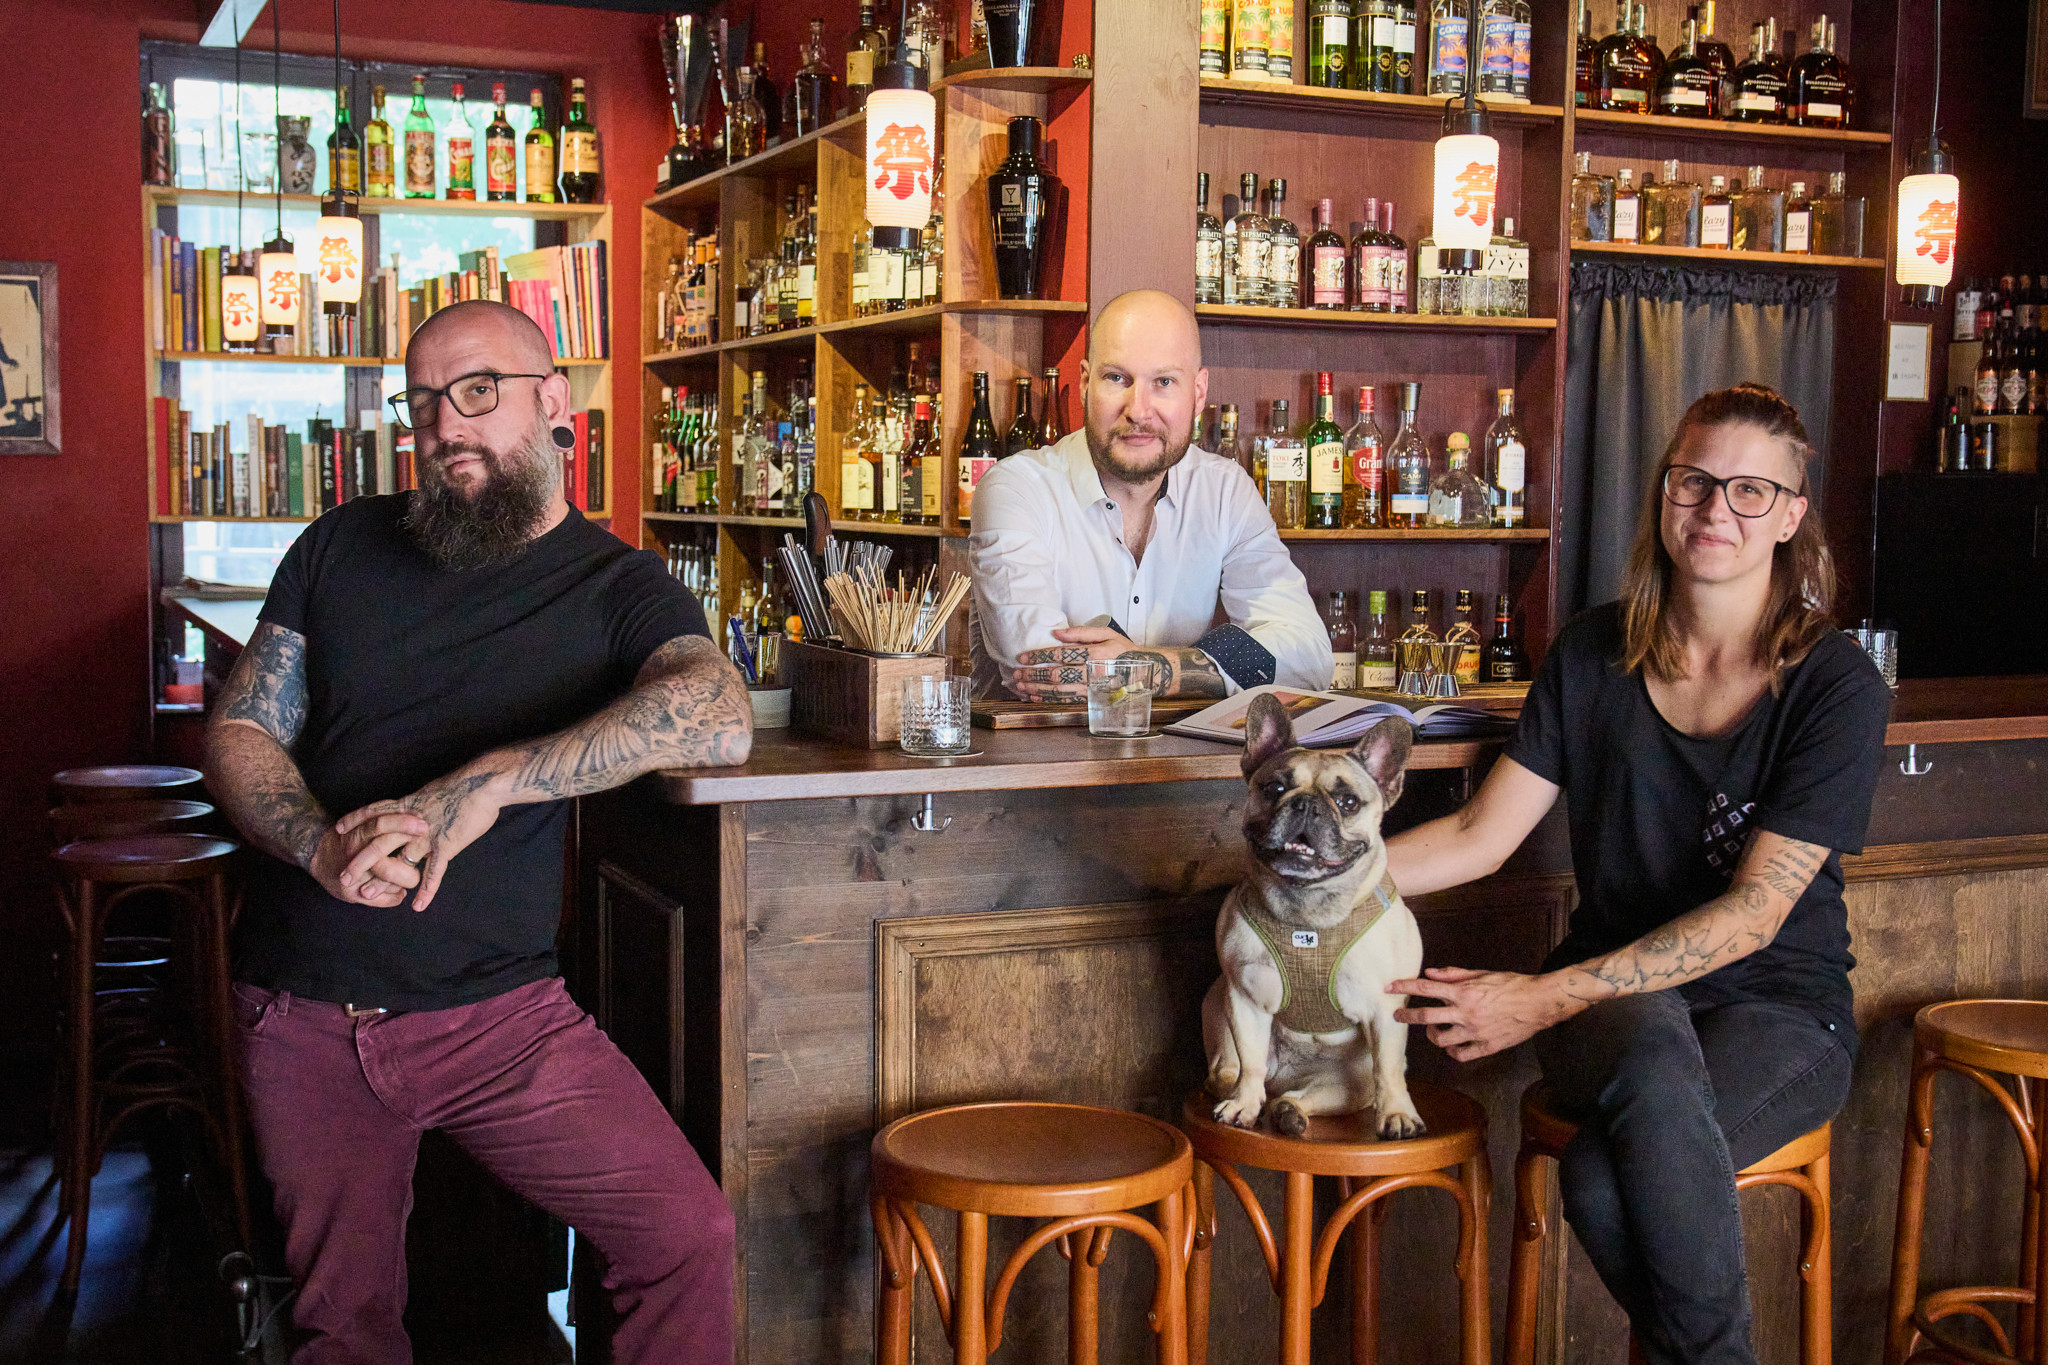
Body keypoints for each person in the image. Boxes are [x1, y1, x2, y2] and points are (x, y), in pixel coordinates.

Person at [205, 299, 752, 1365]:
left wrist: (496, 780)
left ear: (555, 405)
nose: (444, 425)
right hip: (302, 1004)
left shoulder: (618, 586)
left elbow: (719, 713)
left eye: (475, 393)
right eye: (422, 404)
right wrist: (318, 842)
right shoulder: (341, 545)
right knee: (339, 1323)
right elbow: (239, 729)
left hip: (497, 1019)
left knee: (686, 1235)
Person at [1382, 384, 1891, 1365]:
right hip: (1614, 1005)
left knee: (1603, 1185)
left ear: (1790, 516)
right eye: (1693, 481)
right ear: (1661, 492)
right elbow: (1481, 837)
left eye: (1749, 492)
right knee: (1646, 1039)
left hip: (1778, 1010)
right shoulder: (1589, 652)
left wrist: (1537, 999)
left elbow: (1750, 917)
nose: (1714, 510)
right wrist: (1303, 879)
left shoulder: (1831, 686)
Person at [968, 289, 1331, 701]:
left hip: (1182, 762)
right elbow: (1038, 668)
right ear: (1086, 382)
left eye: (1164, 382)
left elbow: (1309, 656)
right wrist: (1208, 665)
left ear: (1198, 393)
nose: (1138, 410)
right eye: (1117, 378)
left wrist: (1155, 669)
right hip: (1042, 761)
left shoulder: (1224, 491)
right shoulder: (1017, 488)